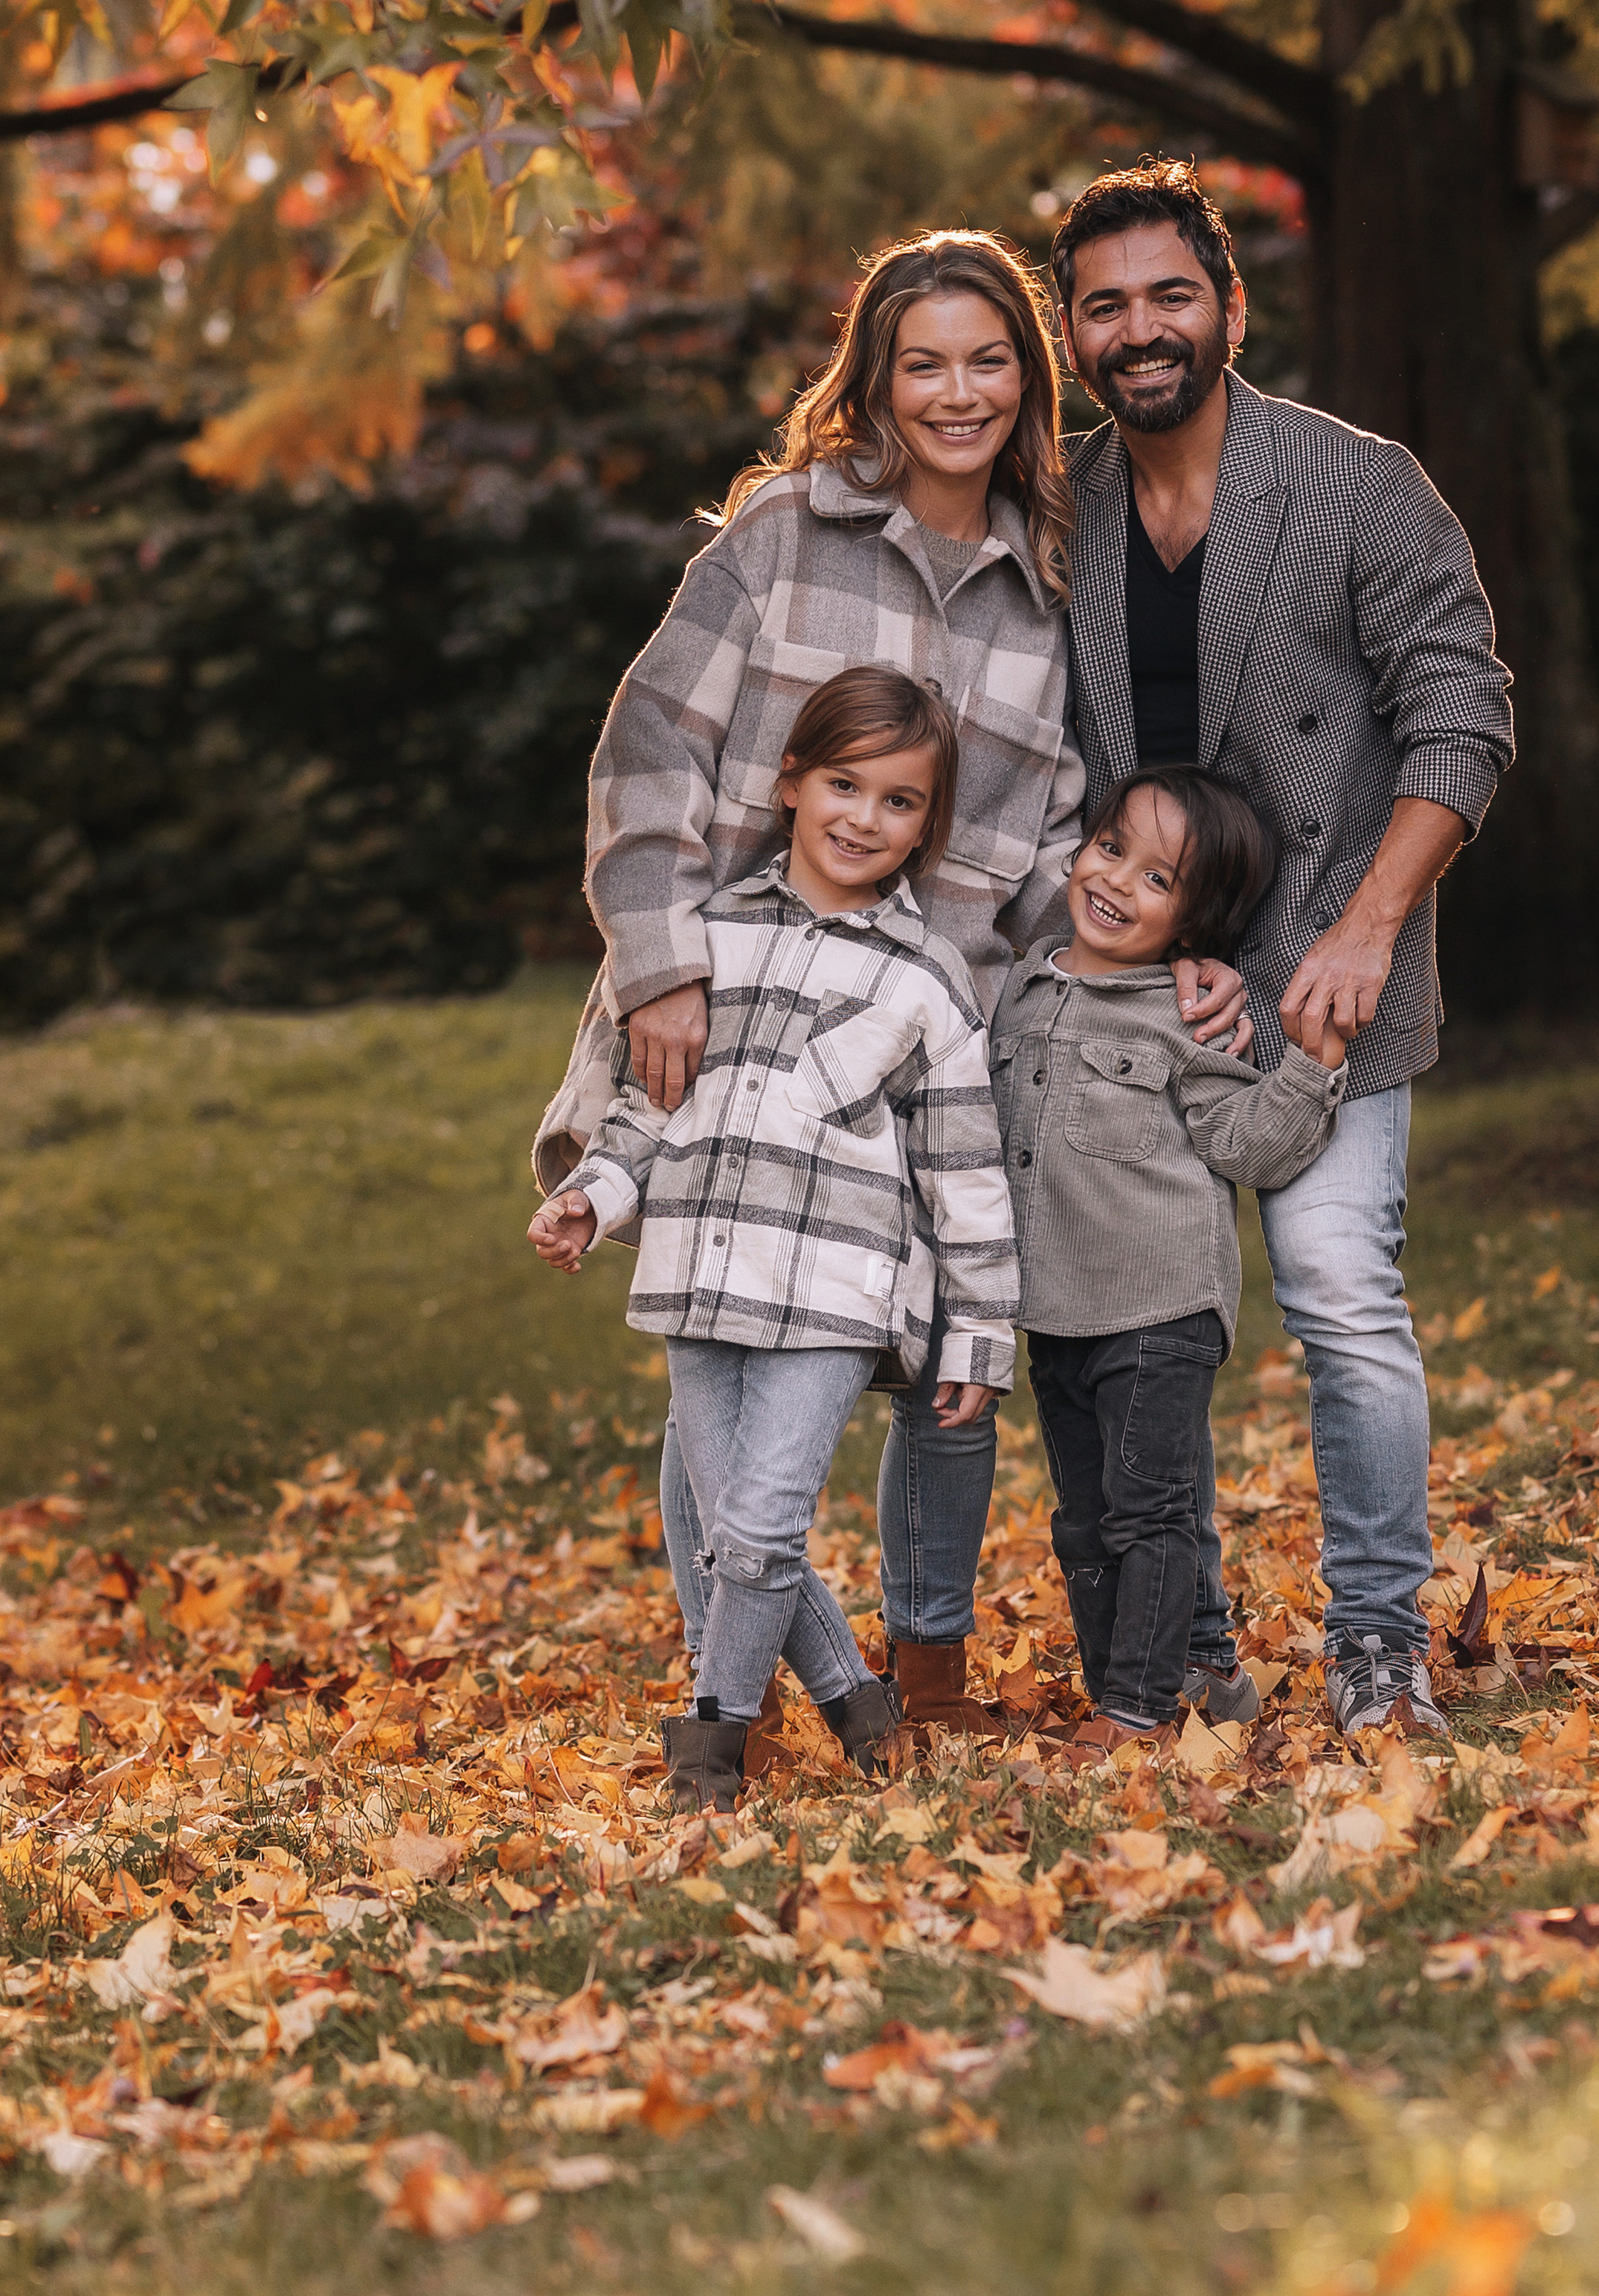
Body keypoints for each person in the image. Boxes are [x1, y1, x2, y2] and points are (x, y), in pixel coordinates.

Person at [532, 229, 1248, 1758]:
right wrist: (657, 967)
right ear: (869, 379)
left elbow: (1062, 832)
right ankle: (728, 1670)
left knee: (939, 1342)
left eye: (988, 360)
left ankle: (916, 1685)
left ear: (1030, 382)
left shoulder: (1049, 576)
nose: (955, 391)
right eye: (920, 360)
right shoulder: (781, 537)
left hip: (938, 1029)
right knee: (721, 1347)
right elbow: (648, 752)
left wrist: (1141, 937)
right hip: (722, 998)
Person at [1050, 161, 1516, 1742]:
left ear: (1229, 306)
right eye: (1103, 305)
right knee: (1131, 1325)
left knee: (1336, 1293)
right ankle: (1185, 1653)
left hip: (1332, 971)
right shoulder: (1065, 508)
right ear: (1069, 332)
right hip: (1137, 987)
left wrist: (1367, 930)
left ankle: (1377, 1646)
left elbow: (1462, 716)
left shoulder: (1354, 484)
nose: (1139, 329)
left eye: (1167, 294)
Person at [527, 669, 1017, 1813]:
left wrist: (982, 1329)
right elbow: (652, 1111)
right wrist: (591, 1199)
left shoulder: (927, 982)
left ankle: (709, 1752)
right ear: (791, 783)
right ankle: (857, 1704)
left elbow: (966, 1171)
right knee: (729, 1538)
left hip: (834, 1299)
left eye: (899, 803)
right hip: (699, 1279)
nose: (864, 818)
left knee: (757, 1528)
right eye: (843, 784)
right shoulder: (705, 940)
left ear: (926, 827)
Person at [993, 767, 1348, 1763]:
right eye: (1112, 849)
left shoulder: (1185, 1015)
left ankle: (1137, 1716)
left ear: (1195, 927)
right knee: (1084, 1521)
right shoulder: (1022, 985)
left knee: (1149, 1511)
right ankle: (1173, 1686)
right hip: (1054, 1307)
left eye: (1158, 880)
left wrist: (1311, 1066)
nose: (1116, 882)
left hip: (1159, 1308)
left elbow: (1244, 1142)